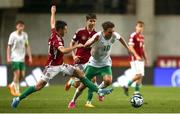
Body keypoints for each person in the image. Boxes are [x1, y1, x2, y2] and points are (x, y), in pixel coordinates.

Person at [11, 5, 113, 109]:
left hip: (61, 65)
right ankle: (18, 99)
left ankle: (99, 91)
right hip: (52, 67)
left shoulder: (54, 32)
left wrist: (53, 13)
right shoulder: (57, 39)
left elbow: (52, 23)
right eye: (65, 29)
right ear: (60, 30)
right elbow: (63, 50)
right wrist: (76, 46)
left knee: (81, 75)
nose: (66, 31)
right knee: (38, 86)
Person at [68, 21, 134, 109]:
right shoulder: (97, 36)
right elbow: (86, 45)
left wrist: (127, 48)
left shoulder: (113, 34)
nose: (112, 33)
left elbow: (120, 38)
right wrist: (92, 41)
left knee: (108, 81)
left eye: (113, 31)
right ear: (104, 31)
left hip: (105, 63)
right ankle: (73, 101)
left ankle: (100, 91)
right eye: (109, 32)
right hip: (93, 64)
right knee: (82, 86)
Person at [64, 13, 99, 108]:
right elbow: (72, 43)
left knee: (92, 79)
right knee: (77, 84)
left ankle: (88, 102)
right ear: (86, 21)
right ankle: (71, 82)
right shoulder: (80, 32)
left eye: (94, 21)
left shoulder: (96, 35)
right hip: (79, 60)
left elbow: (96, 47)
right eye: (90, 21)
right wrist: (73, 56)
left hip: (90, 61)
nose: (92, 22)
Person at [7, 20, 32, 96]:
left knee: (22, 75)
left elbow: (27, 46)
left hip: (22, 58)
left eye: (22, 26)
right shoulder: (13, 35)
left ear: (23, 27)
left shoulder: (25, 35)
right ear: (16, 26)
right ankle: (17, 91)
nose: (21, 27)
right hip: (14, 57)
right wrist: (8, 57)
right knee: (17, 74)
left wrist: (30, 57)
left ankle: (11, 85)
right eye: (19, 26)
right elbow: (9, 46)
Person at [123, 21, 148, 96]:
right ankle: (127, 85)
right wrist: (136, 56)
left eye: (141, 27)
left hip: (140, 59)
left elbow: (143, 49)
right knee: (139, 74)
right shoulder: (133, 35)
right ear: (136, 27)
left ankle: (136, 91)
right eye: (139, 26)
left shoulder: (142, 37)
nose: (140, 28)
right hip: (134, 59)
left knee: (140, 76)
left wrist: (146, 58)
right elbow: (130, 47)